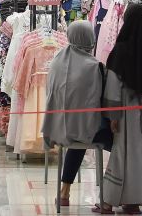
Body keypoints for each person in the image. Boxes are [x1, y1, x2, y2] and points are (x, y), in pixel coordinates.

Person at [94, 4, 142, 214]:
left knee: (122, 155)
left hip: (126, 112)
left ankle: (108, 201)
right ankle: (134, 201)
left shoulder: (120, 51)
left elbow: (113, 87)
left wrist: (113, 115)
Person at [42, 21, 112, 207]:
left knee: (78, 129)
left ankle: (64, 192)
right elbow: (104, 101)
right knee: (123, 142)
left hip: (56, 129)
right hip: (85, 131)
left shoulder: (57, 59)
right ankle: (113, 195)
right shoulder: (95, 66)